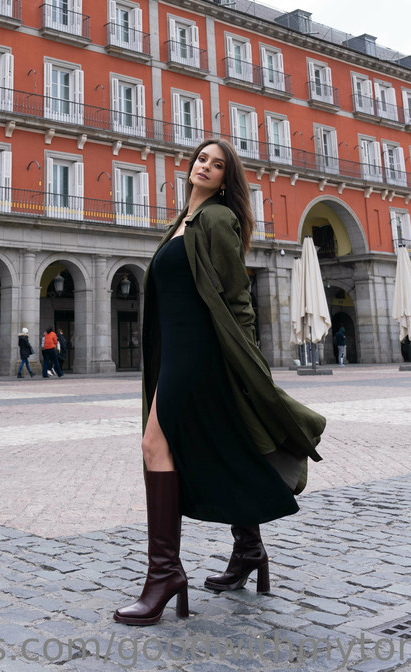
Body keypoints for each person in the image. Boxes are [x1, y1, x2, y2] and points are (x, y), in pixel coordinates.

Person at [114, 140, 326, 626]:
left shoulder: (218, 219)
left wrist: (247, 362)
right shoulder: (182, 222)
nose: (205, 167)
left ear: (227, 180)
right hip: (174, 352)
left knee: (154, 445)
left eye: (218, 164)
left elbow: (237, 297)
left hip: (200, 353)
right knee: (223, 443)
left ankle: (164, 574)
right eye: (202, 159)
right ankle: (249, 550)